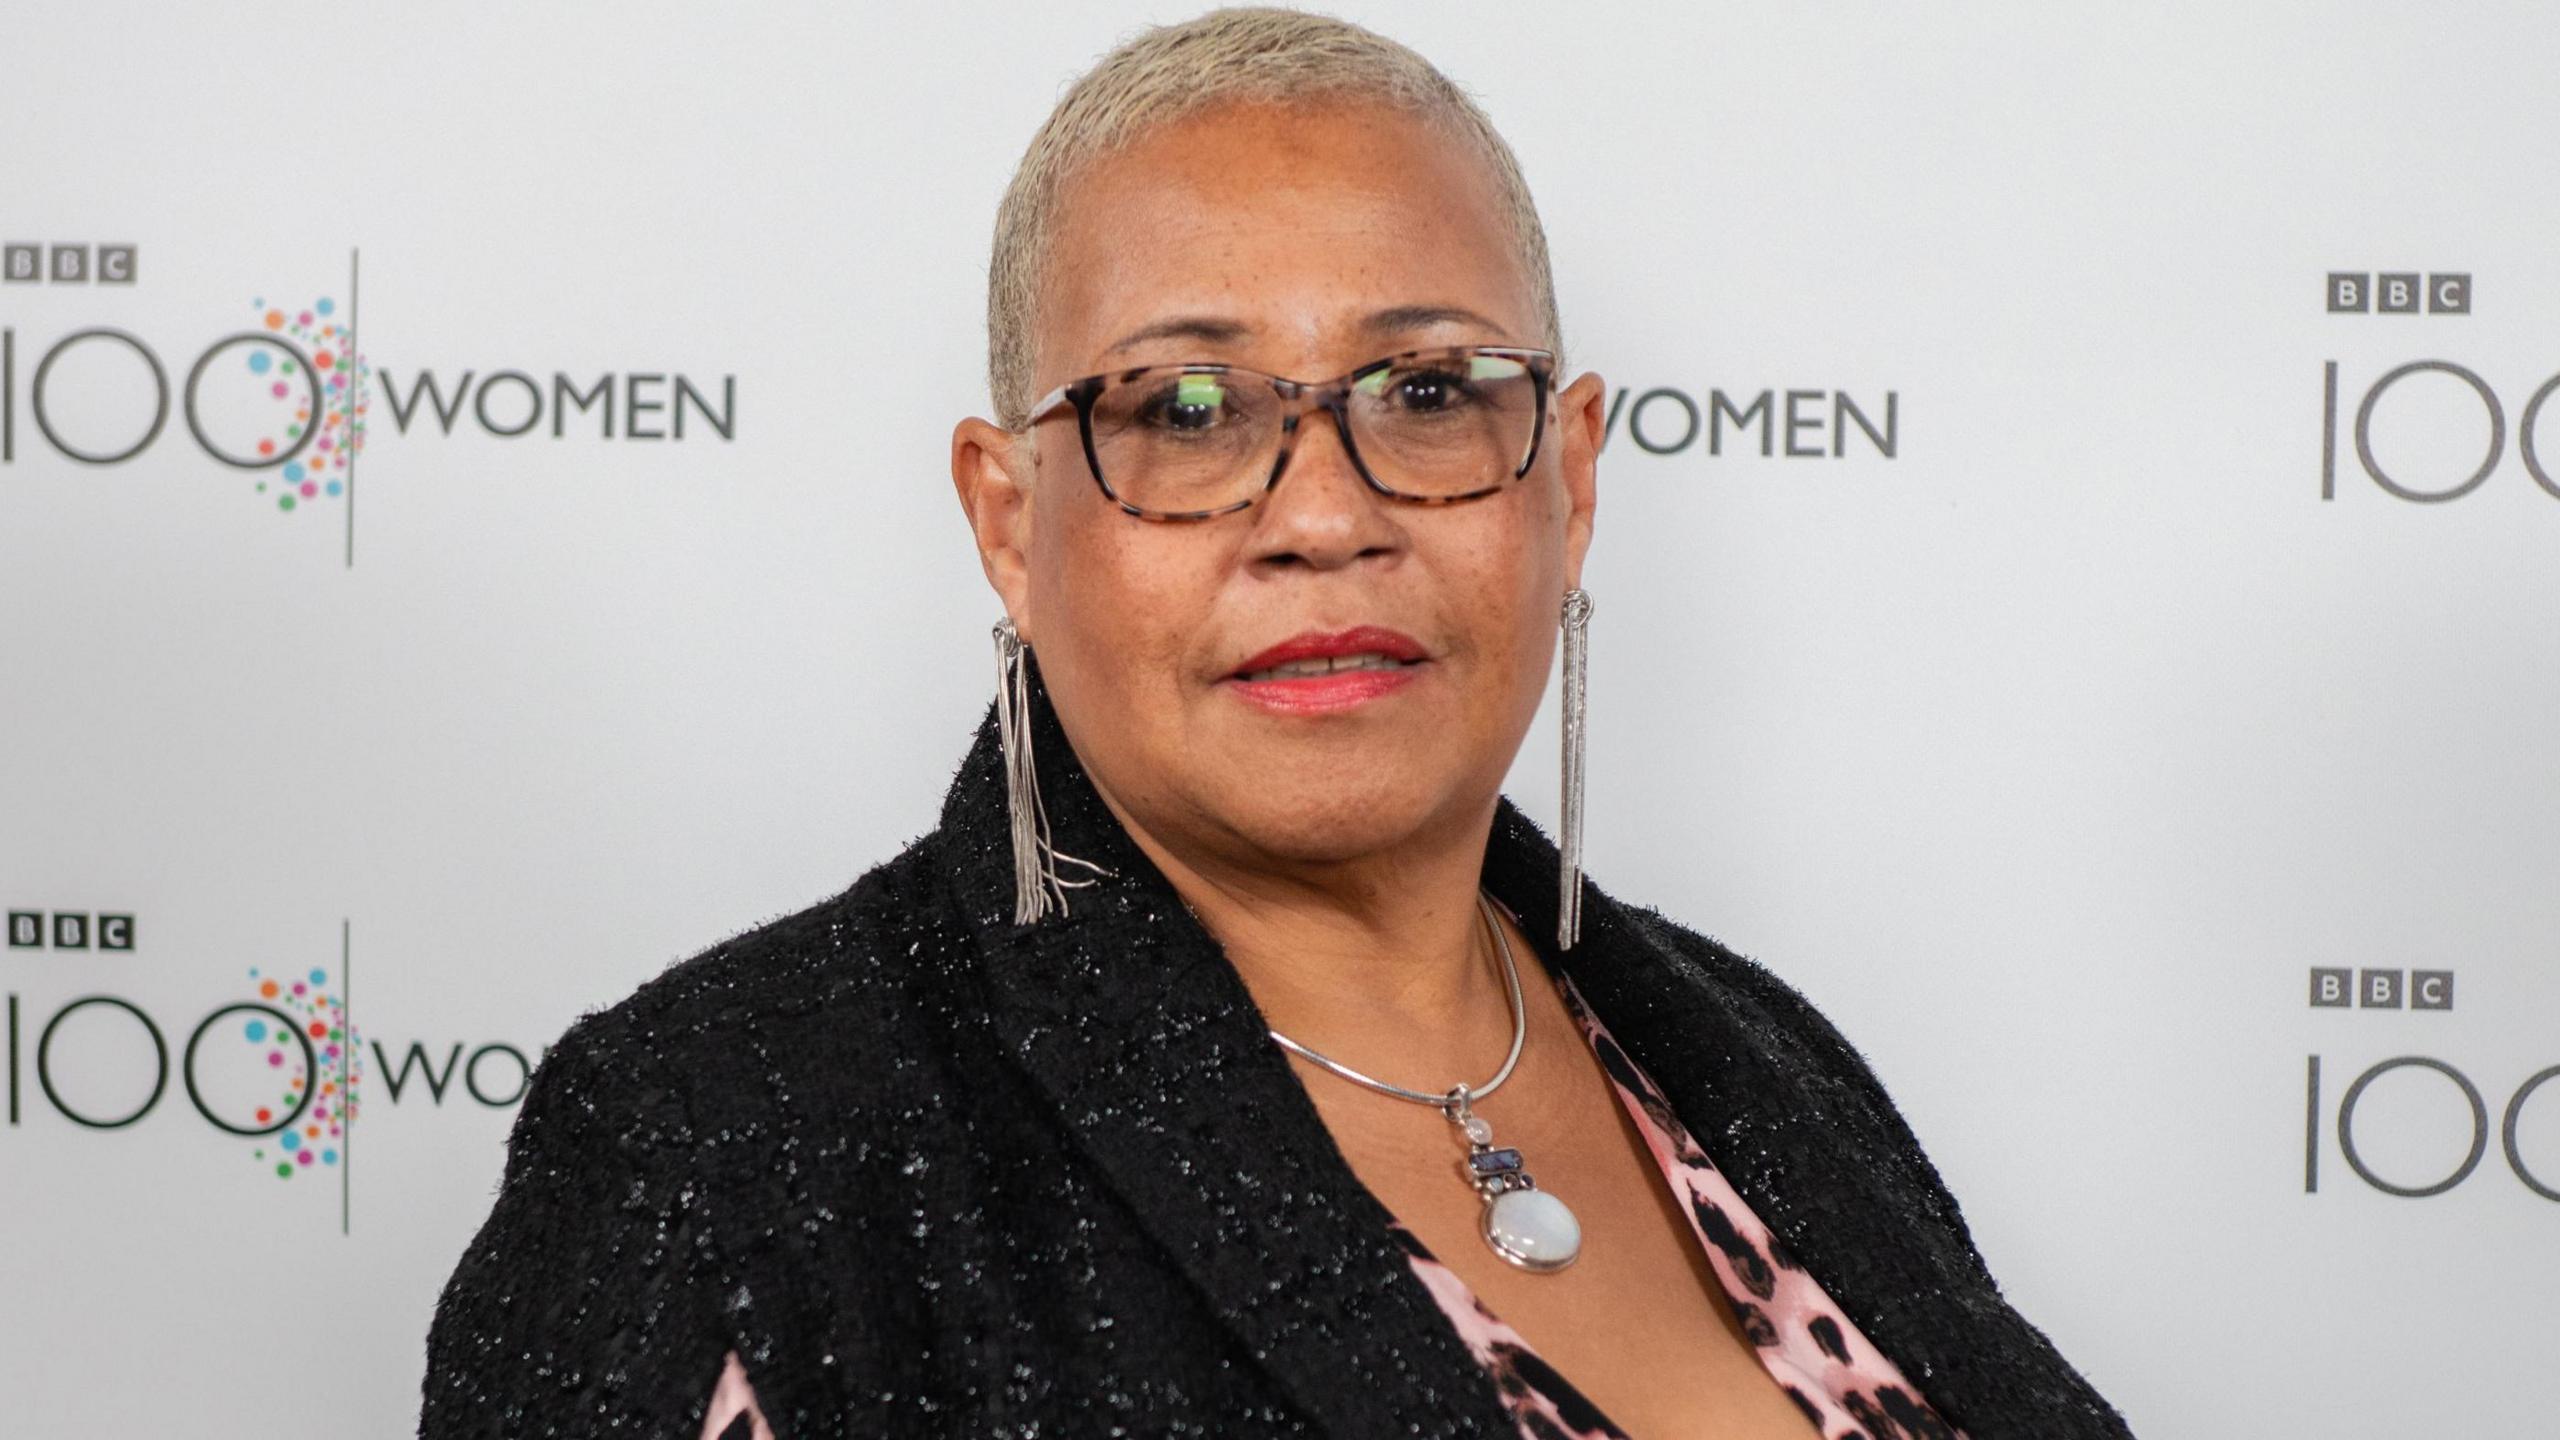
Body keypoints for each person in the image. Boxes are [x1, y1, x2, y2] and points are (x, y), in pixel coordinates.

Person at [423, 9, 2133, 1438]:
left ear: (1573, 480)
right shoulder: (733, 1148)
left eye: (1431, 392)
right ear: (1012, 523)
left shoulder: (1764, 1066)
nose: (1324, 515)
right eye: (1183, 409)